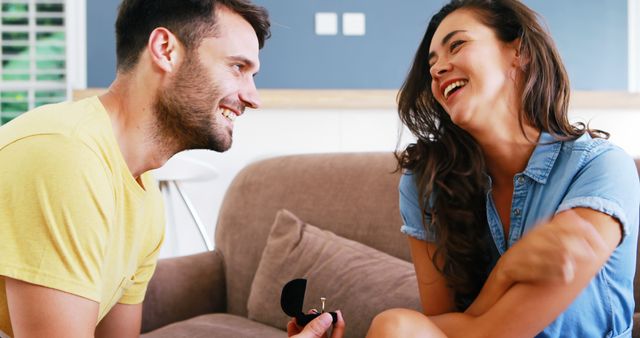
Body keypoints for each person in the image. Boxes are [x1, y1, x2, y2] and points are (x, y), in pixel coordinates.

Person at [0, 0, 340, 337]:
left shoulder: (144, 193)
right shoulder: (65, 156)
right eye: (237, 67)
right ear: (165, 50)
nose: (254, 98)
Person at [367, 0, 639, 337]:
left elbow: (496, 331)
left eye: (457, 45)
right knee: (393, 327)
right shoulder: (426, 181)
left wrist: (483, 307)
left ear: (518, 52)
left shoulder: (601, 166)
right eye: (431, 62)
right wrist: (507, 271)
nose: (437, 69)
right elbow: (441, 328)